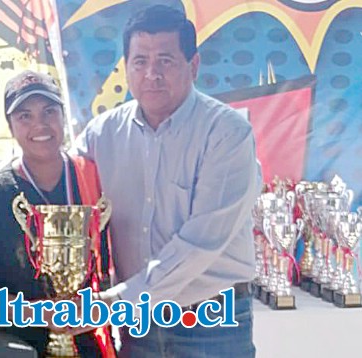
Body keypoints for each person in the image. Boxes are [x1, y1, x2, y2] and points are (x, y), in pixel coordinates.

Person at [73, 5, 262, 357]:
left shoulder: (226, 134)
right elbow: (58, 185)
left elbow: (200, 243)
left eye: (165, 60)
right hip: (137, 325)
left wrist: (112, 303)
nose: (151, 74)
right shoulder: (102, 135)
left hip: (211, 324)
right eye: (140, 61)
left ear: (193, 66)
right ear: (126, 66)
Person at [0, 70, 115, 357]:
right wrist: (33, 313)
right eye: (24, 116)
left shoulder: (92, 176)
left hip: (87, 340)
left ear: (63, 117)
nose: (39, 124)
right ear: (10, 126)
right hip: (17, 344)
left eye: (49, 112)